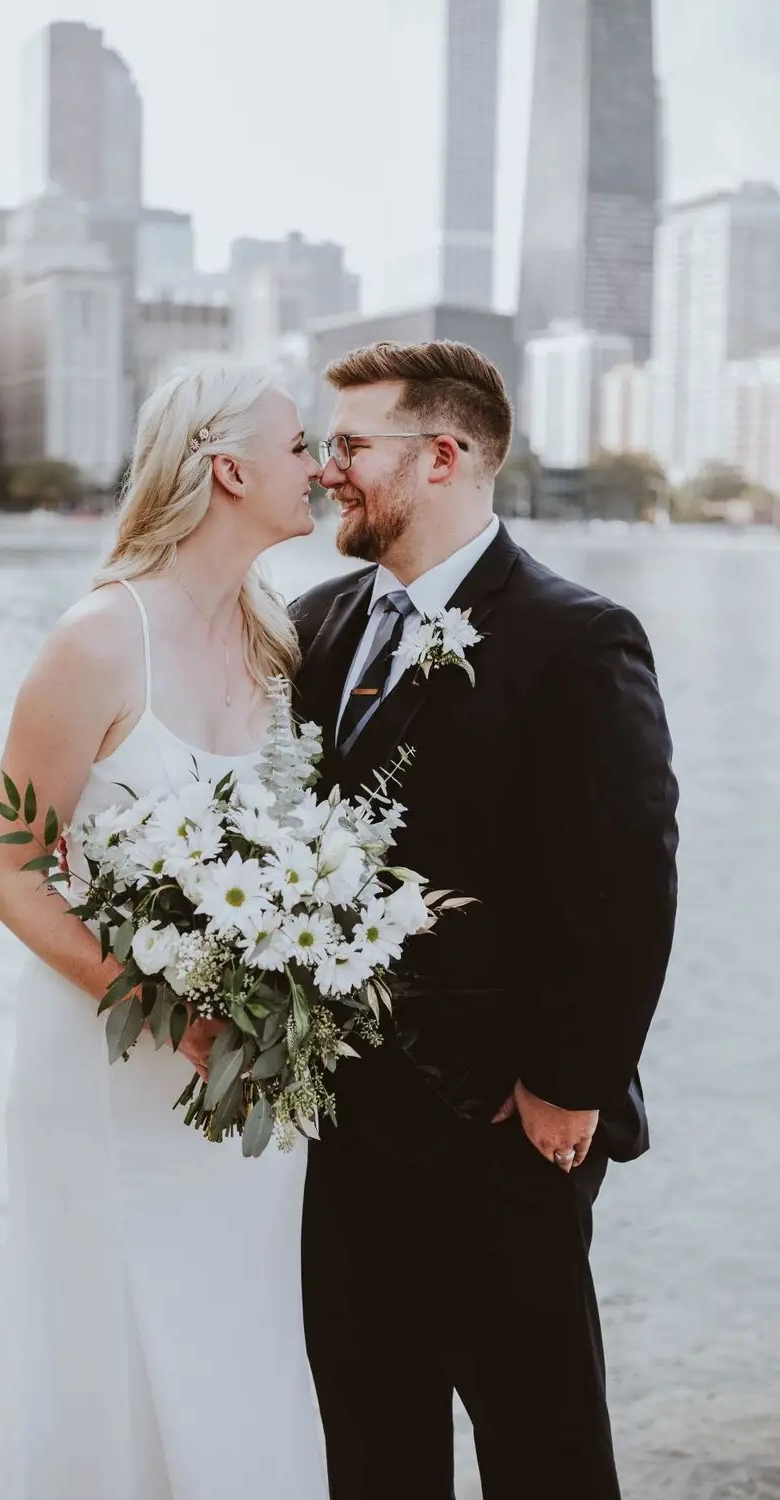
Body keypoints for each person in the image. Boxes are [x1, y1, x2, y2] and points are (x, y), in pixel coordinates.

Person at [0, 361, 329, 1500]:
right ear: (229, 468)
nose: (319, 470)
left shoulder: (275, 642)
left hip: (247, 1086)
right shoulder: (98, 641)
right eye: (299, 448)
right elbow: (11, 868)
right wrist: (160, 998)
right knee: (93, 1348)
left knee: (232, 1345)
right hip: (111, 1074)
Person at [293, 338, 679, 1500]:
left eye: (352, 445)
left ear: (445, 456)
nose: (328, 470)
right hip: (343, 1131)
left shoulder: (575, 636)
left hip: (506, 1131)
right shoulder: (314, 623)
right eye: (324, 445)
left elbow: (622, 880)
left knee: (542, 1446)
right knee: (371, 1446)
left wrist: (570, 1085)